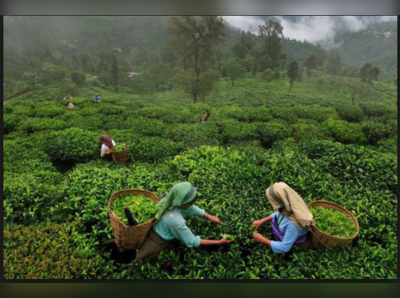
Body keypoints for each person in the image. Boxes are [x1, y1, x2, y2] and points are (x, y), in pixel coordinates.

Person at [134, 182, 233, 263]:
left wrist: (207, 215)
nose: (192, 205)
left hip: (155, 227)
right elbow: (193, 241)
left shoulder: (168, 199)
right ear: (181, 202)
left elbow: (189, 209)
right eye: (190, 203)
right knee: (141, 260)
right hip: (157, 240)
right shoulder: (176, 221)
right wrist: (219, 242)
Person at [251, 182, 313, 255]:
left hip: (292, 237)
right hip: (286, 228)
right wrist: (261, 221)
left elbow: (284, 247)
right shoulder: (287, 206)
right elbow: (277, 214)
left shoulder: (293, 225)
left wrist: (261, 239)